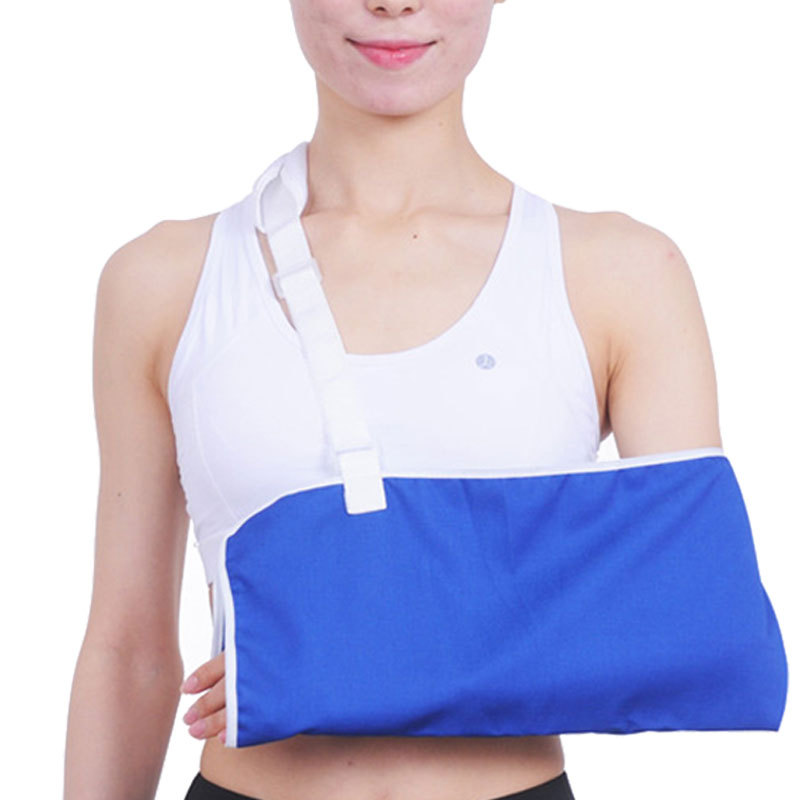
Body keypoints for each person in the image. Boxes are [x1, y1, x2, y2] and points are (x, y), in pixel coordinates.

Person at [64, 0, 723, 798]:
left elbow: (691, 635)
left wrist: (341, 664)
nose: (394, 2)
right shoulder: (164, 280)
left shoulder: (621, 272)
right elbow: (128, 648)